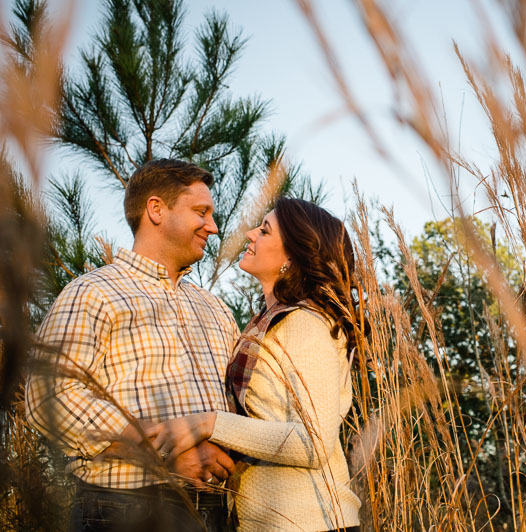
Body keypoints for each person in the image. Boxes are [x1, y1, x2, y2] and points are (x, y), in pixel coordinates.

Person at [25, 159, 241, 532]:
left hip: (215, 511)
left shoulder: (216, 308)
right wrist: (166, 454)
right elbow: (49, 397)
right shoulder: (94, 293)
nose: (213, 226)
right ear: (156, 210)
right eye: (200, 212)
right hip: (126, 509)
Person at [146, 197, 366, 531]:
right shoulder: (269, 322)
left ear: (291, 256)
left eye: (264, 230)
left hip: (310, 521)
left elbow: (313, 444)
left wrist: (209, 423)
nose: (249, 234)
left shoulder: (305, 325)